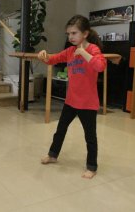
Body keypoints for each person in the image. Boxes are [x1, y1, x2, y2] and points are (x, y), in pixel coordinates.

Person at [37, 15, 106, 179]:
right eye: (68, 34)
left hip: (88, 104)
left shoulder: (93, 50)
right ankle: (53, 155)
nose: (70, 37)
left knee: (90, 137)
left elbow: (100, 66)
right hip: (71, 101)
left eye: (74, 33)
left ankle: (92, 166)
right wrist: (44, 55)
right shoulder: (69, 51)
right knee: (60, 130)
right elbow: (52, 59)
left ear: (85, 33)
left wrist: (84, 53)